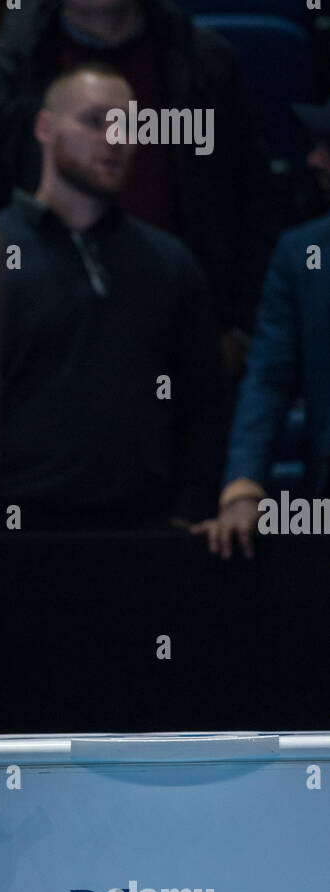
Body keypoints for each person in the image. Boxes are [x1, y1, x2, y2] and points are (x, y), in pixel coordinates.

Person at [0, 65, 228, 531]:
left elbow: (206, 399)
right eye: (95, 121)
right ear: (44, 128)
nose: (115, 139)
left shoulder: (168, 261)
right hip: (15, 536)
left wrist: (192, 509)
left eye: (128, 125)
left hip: (149, 536)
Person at [0, 0, 282, 378]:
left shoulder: (204, 62)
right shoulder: (6, 72)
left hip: (183, 333)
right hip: (42, 342)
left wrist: (240, 328)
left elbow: (256, 201)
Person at [192, 98, 330, 560]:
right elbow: (269, 378)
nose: (313, 160)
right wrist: (243, 486)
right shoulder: (301, 253)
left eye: (327, 146)